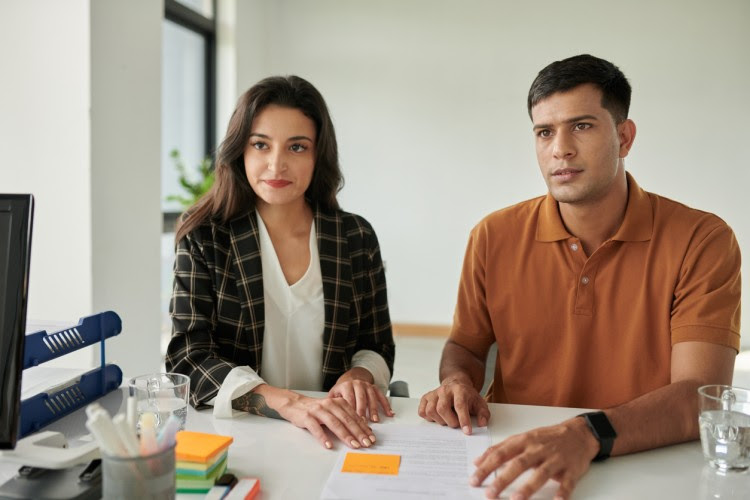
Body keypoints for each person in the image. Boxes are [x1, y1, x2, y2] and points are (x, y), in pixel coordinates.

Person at [418, 54, 741, 499]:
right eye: (544, 132)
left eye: (582, 126)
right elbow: (465, 348)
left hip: (646, 463)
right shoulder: (493, 235)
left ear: (624, 137)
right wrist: (456, 382)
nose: (560, 149)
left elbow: (697, 398)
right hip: (515, 464)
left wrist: (583, 434)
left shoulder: (702, 239)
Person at [166, 75, 396, 451]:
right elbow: (187, 359)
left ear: (319, 154)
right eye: (261, 145)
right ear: (240, 150)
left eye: (297, 147)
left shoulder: (356, 236)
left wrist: (360, 375)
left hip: (336, 434)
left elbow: (377, 345)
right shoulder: (205, 238)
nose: (276, 165)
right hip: (239, 434)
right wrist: (286, 403)